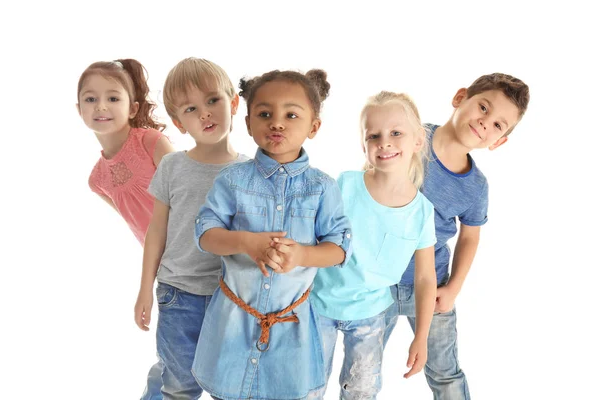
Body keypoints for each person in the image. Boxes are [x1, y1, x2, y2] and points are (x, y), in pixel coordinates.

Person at [192, 69, 352, 400]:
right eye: (265, 114)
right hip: (233, 320)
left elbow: (340, 247)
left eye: (291, 115)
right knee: (229, 391)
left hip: (291, 326)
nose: (277, 123)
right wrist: (246, 242)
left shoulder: (322, 188)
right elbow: (205, 233)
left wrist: (303, 256)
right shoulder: (232, 180)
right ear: (248, 123)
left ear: (314, 126)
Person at [383, 73, 530, 400]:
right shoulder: (412, 139)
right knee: (361, 365)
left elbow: (469, 237)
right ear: (460, 96)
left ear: (499, 141)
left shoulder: (476, 187)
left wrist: (453, 289)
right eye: (483, 107)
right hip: (375, 281)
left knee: (445, 373)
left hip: (431, 288)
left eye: (498, 126)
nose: (485, 123)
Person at [133, 57, 249, 399]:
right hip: (178, 292)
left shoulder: (250, 172)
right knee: (180, 382)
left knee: (228, 382)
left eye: (213, 100)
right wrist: (144, 289)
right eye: (190, 109)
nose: (205, 114)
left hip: (230, 297)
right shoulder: (172, 166)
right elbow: (156, 231)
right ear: (178, 123)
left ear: (233, 103)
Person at [310, 91, 437, 400]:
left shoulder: (422, 212)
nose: (385, 142)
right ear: (363, 145)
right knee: (307, 386)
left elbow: (424, 278)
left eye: (396, 133)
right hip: (318, 305)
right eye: (374, 135)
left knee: (362, 390)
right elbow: (311, 235)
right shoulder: (345, 184)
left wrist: (421, 338)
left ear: (418, 140)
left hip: (369, 314)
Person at [77, 58, 174, 400]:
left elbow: (190, 196)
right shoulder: (96, 180)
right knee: (173, 352)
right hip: (167, 267)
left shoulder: (150, 142)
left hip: (202, 247)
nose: (101, 106)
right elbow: (141, 229)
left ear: (132, 108)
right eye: (90, 99)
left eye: (113, 98)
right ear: (79, 109)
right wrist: (147, 285)